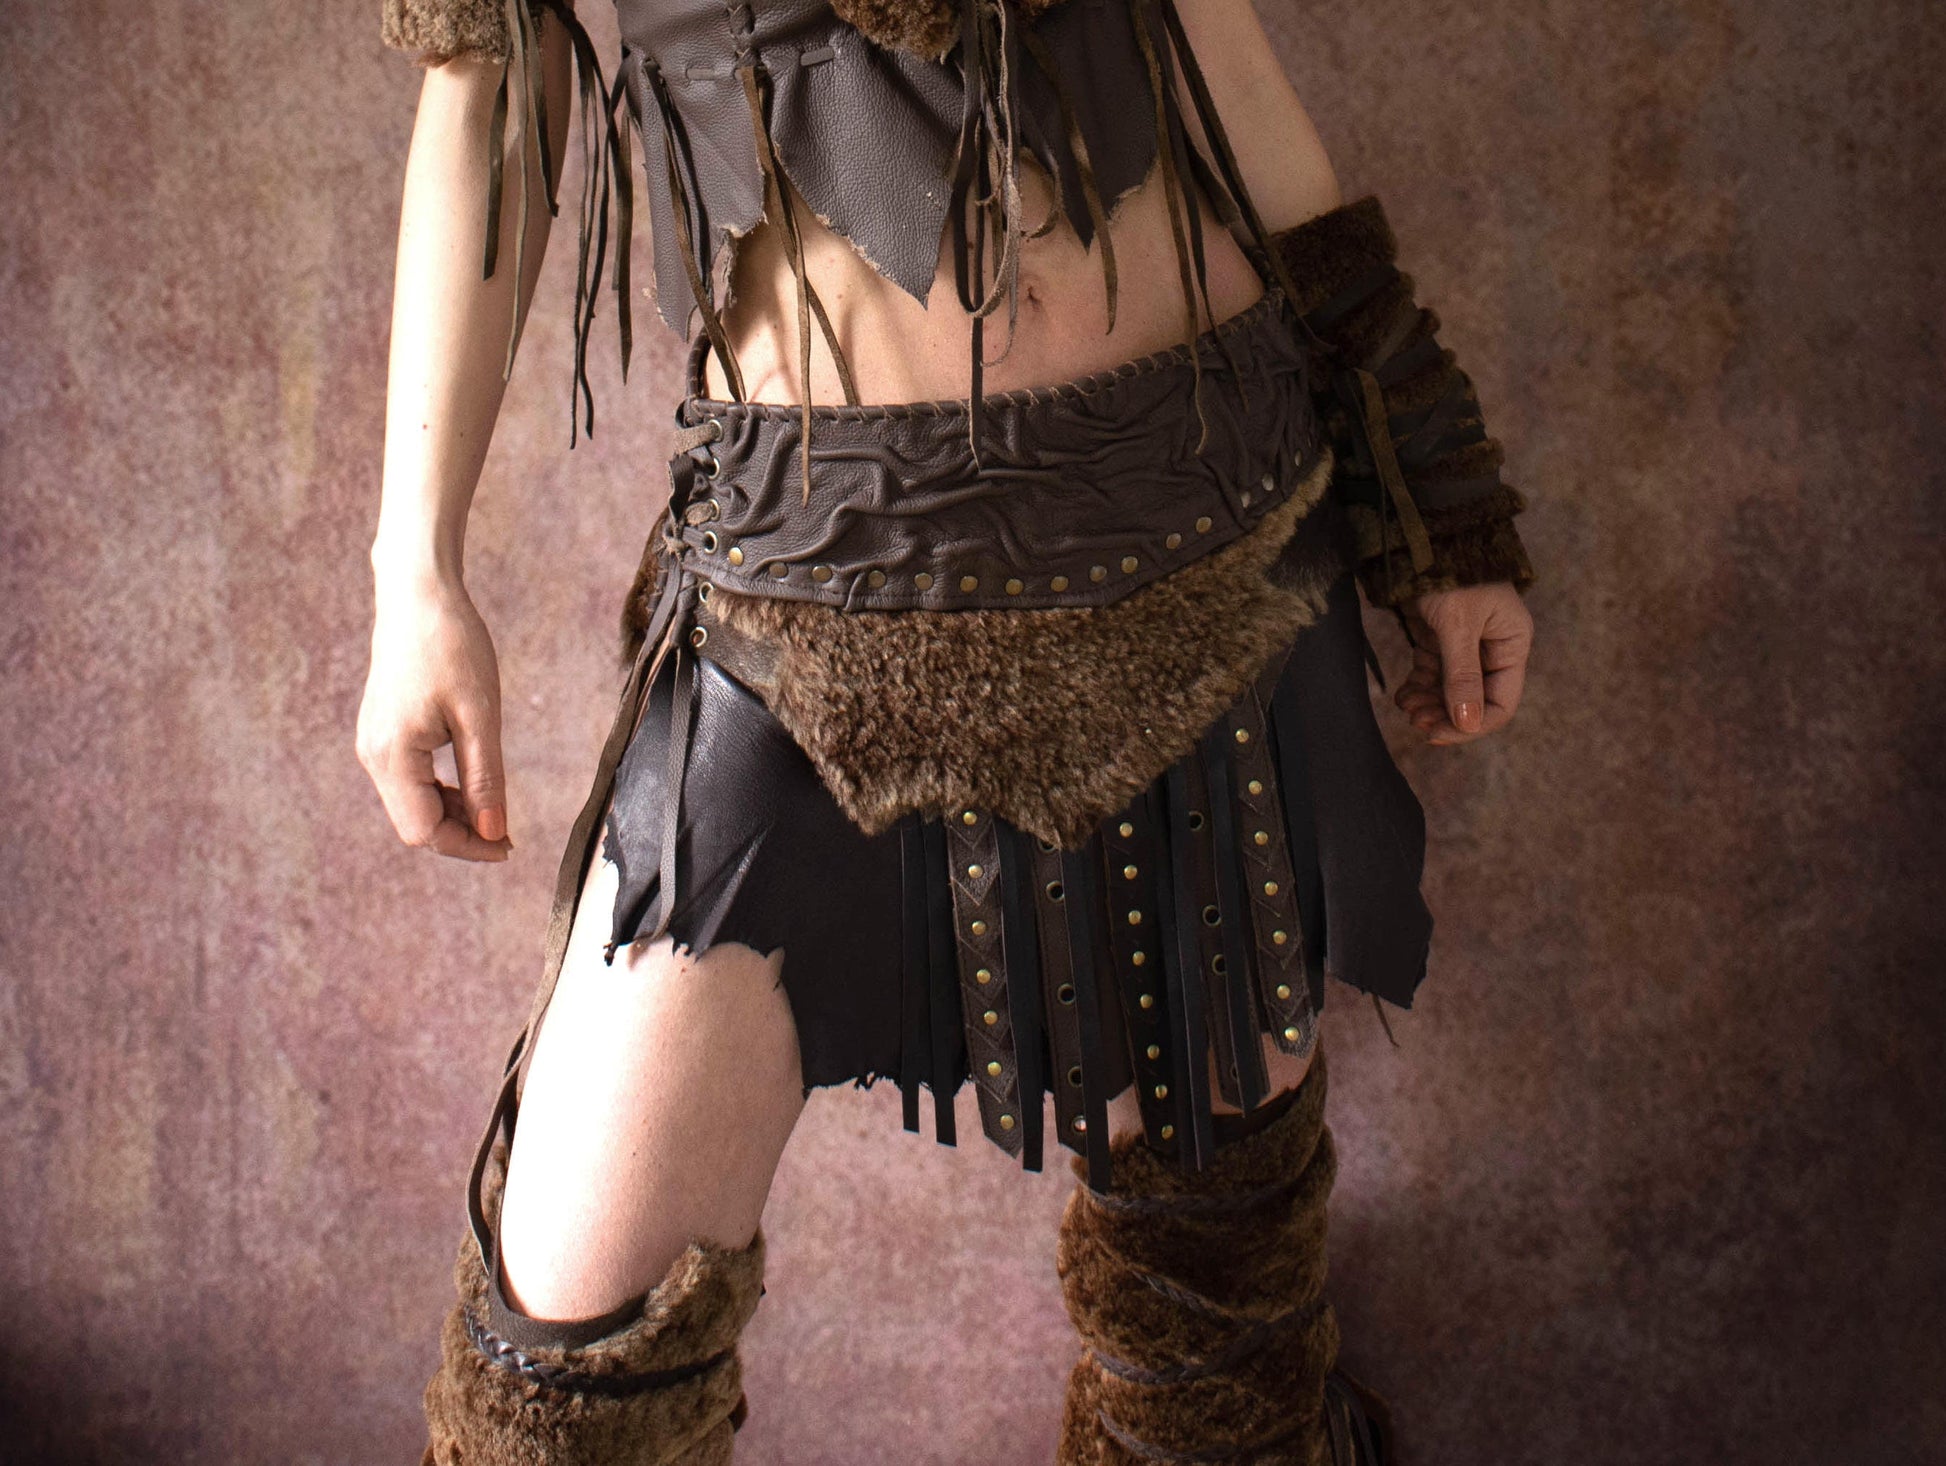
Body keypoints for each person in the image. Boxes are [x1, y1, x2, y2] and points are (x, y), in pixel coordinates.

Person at [356, 0, 1537, 1461]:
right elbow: (490, 84)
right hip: (811, 573)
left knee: (1216, 1347)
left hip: (1203, 527)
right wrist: (415, 570)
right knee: (561, 1386)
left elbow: (1212, 49)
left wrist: (1433, 479)